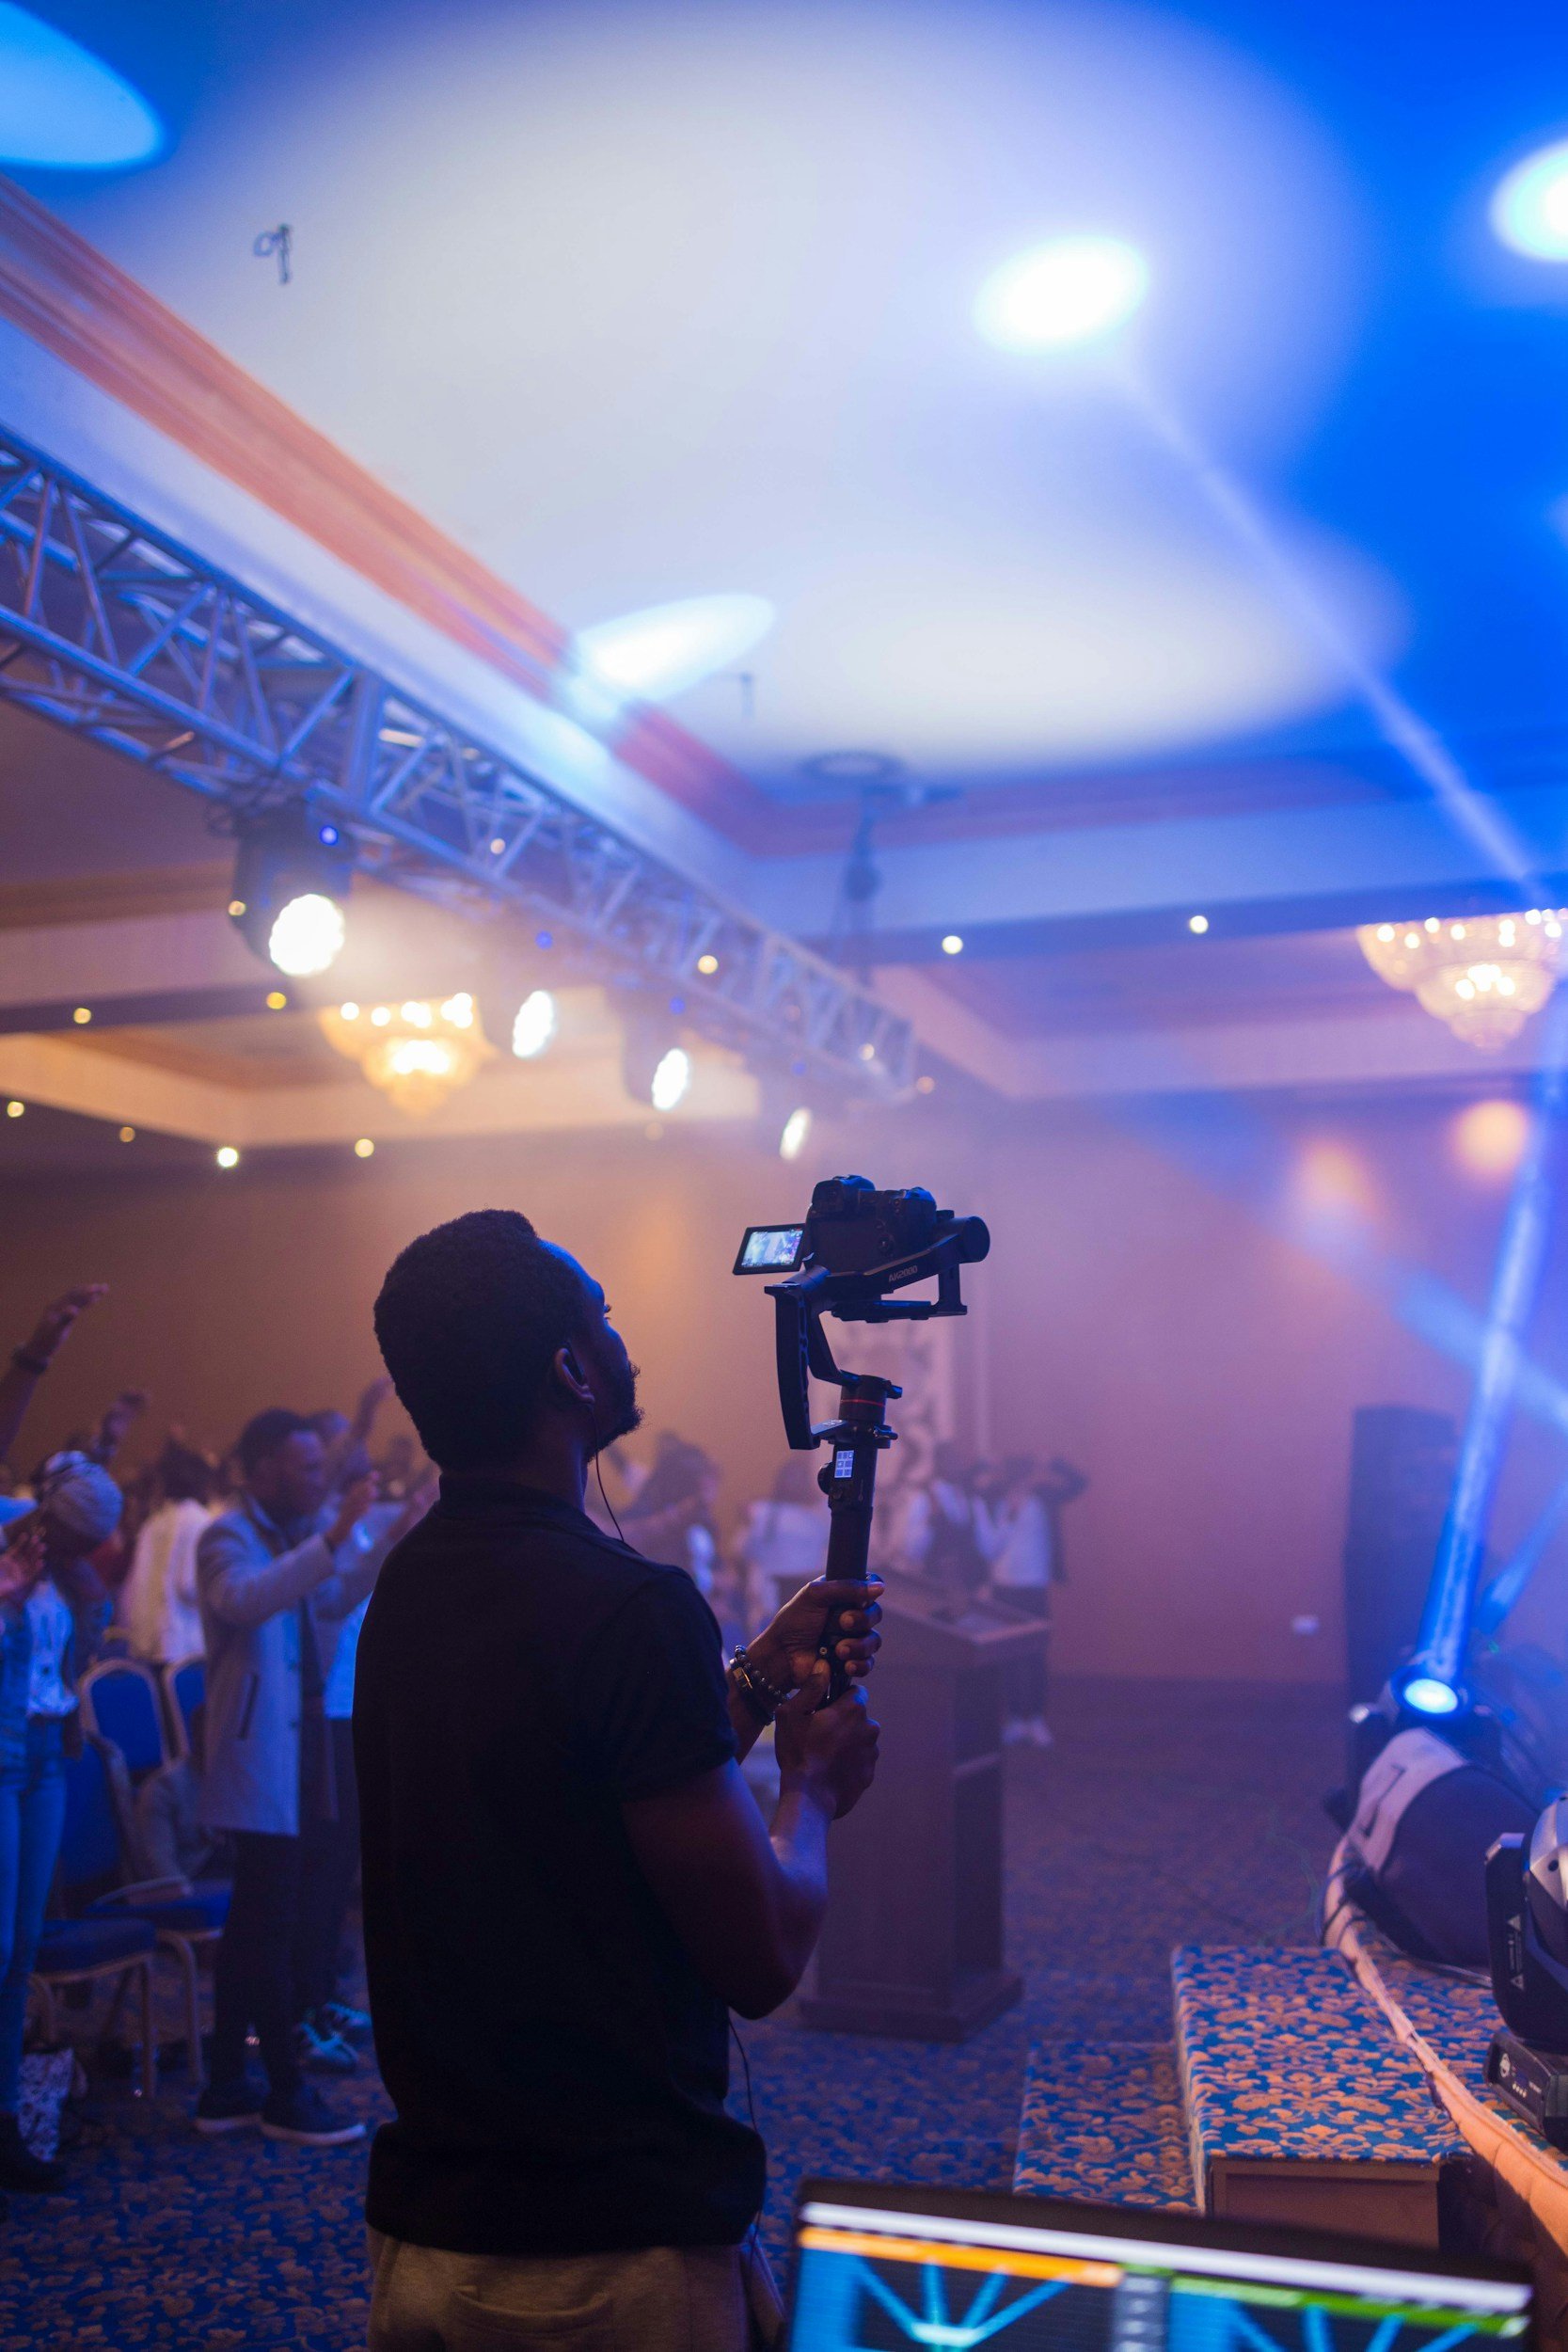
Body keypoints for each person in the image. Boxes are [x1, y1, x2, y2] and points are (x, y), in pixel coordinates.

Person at [358, 1207, 882, 2352]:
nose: (619, 1336)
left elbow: (562, 1793)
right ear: (569, 1367)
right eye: (601, 1312)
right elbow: (762, 1955)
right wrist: (812, 1789)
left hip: (427, 2237)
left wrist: (743, 1676)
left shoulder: (409, 1584)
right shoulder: (628, 1608)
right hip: (601, 2266)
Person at [192, 1409, 383, 2148]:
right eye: (305, 1469)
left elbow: (326, 1602)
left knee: (253, 1926)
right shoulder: (226, 1536)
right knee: (266, 1928)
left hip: (294, 1753)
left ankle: (224, 2087)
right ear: (265, 1469)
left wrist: (376, 1546)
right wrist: (333, 1538)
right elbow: (242, 1599)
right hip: (257, 1753)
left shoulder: (282, 1536)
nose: (317, 1480)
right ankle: (282, 2089)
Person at [0, 1454, 120, 2195]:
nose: (84, 1554)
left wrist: (81, 1587)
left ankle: (7, 2122)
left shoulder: (69, 1570)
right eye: (78, 1540)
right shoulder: (9, 1539)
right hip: (4, 1749)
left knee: (20, 1955)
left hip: (48, 1747)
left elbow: (73, 1657)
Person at [119, 1440, 215, 1664]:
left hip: (150, 1638)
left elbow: (135, 1584)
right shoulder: (200, 1520)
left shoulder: (155, 1521)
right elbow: (190, 1584)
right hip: (184, 1641)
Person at [738, 1456, 829, 1631]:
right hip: (799, 1605)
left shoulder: (761, 1512)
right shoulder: (819, 1518)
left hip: (769, 1604)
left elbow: (741, 1550)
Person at [899, 1438, 994, 1599]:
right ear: (938, 1463)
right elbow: (912, 1552)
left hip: (971, 1591)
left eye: (958, 1459)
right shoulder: (924, 1499)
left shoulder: (973, 1501)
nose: (956, 1465)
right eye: (950, 1459)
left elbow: (988, 1549)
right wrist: (929, 1522)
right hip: (937, 1592)